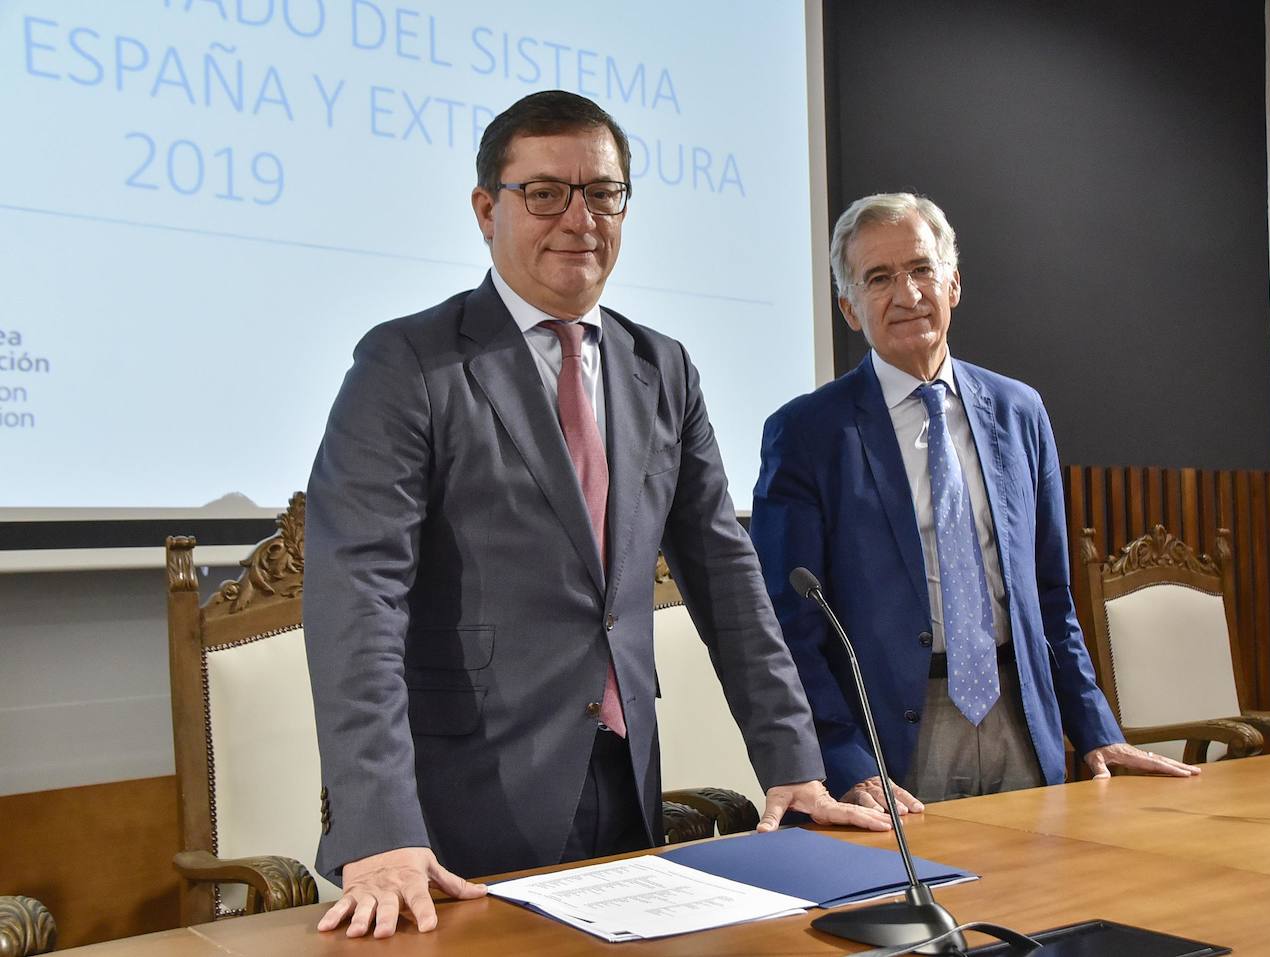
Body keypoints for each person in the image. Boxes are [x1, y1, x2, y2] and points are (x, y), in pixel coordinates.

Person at [302, 91, 888, 940]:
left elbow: (728, 578)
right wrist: (381, 826)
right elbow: (358, 601)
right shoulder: (408, 364)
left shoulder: (664, 367)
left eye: (602, 193)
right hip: (457, 810)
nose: (578, 217)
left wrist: (793, 764)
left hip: (625, 780)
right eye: (545, 192)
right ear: (485, 209)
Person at [751, 192, 1199, 817]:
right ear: (849, 309)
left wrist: (1095, 728)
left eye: (920, 269)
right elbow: (790, 625)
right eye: (878, 278)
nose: (905, 294)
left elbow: (1051, 596)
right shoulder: (805, 432)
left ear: (954, 283)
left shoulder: (1020, 412)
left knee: (1038, 906)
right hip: (893, 743)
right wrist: (845, 760)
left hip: (1021, 711)